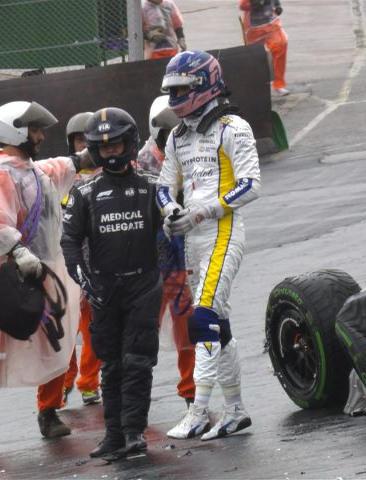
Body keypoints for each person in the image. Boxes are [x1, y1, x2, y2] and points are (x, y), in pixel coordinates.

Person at [0, 101, 84, 454]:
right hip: (7, 275)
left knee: (55, 342)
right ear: (15, 129)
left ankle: (49, 411)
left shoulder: (32, 170)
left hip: (42, 270)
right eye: (35, 130)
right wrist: (18, 250)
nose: (41, 136)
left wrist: (92, 154)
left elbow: (60, 168)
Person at [158, 50, 261, 440]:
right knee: (220, 323)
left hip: (223, 231)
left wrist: (202, 212)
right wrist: (171, 212)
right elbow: (164, 187)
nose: (176, 96)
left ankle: (199, 410)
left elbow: (252, 184)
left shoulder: (233, 127)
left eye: (182, 88)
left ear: (204, 84)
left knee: (202, 318)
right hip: (191, 239)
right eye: (173, 89)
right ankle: (235, 410)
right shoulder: (176, 136)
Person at [61, 108, 163, 459]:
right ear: (94, 150)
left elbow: (175, 226)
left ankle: (135, 432)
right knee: (112, 365)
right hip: (103, 290)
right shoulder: (84, 192)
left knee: (138, 362)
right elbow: (69, 241)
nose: (112, 153)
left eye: (117, 145)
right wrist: (84, 280)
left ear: (130, 143)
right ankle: (114, 435)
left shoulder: (153, 185)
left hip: (144, 287)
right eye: (104, 149)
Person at [136, 95, 196, 408]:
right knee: (145, 326)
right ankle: (132, 390)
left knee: (186, 319)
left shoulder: (193, 153)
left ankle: (191, 388)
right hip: (149, 260)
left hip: (178, 256)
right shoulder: (145, 162)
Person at [61, 112, 102, 407]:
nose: (83, 145)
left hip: (97, 264)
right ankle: (64, 379)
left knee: (93, 329)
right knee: (64, 329)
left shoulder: (110, 174)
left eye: (88, 140)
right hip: (65, 263)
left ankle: (89, 382)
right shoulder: (61, 177)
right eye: (78, 140)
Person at [239, 0, 289, 96]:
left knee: (281, 44)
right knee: (255, 57)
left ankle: (279, 84)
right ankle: (256, 86)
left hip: (272, 23)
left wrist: (277, 5)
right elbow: (243, 5)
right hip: (254, 28)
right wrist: (259, 2)